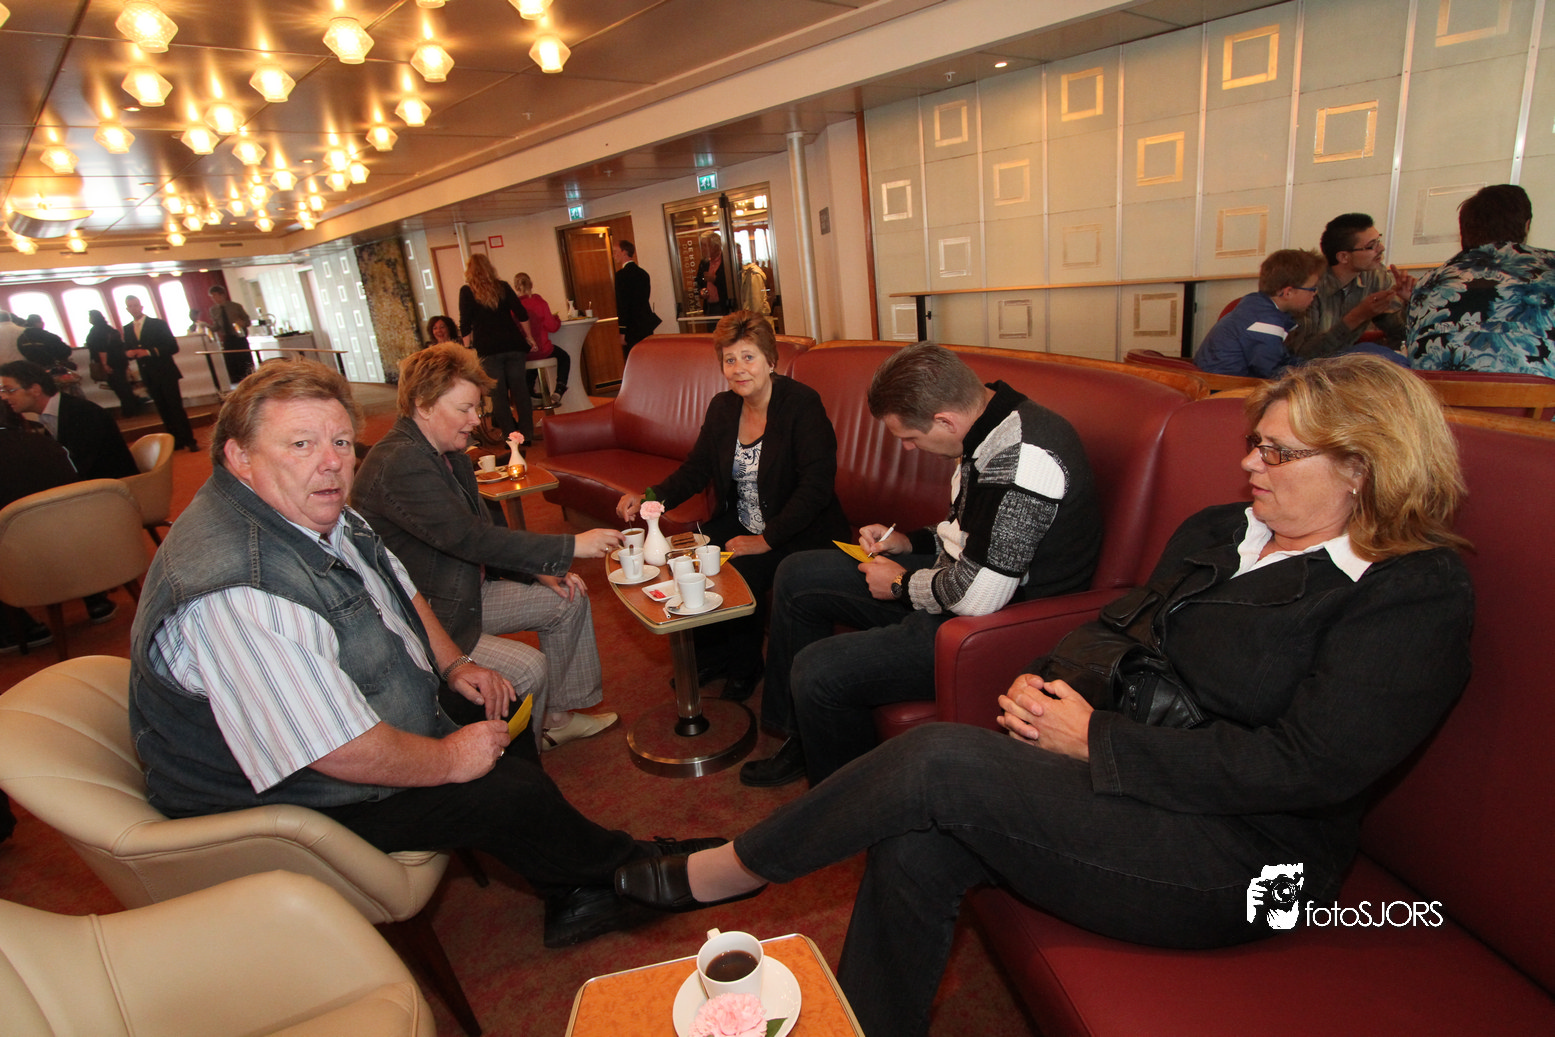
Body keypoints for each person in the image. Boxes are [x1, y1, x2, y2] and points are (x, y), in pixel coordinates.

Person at [615, 354, 1475, 1037]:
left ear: (1361, 467)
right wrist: (1050, 681)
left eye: (1277, 452)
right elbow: (1120, 625)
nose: (1249, 461)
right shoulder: (1223, 530)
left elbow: (1308, 767)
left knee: (938, 760)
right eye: (1256, 441)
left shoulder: (1409, 590)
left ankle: (725, 871)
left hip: (1260, 862)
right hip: (1141, 789)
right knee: (918, 839)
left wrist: (1095, 739)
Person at [127, 360, 720, 949]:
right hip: (288, 800)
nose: (331, 462)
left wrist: (456, 664)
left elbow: (397, 586)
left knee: (501, 702)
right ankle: (634, 870)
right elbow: (333, 749)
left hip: (355, 716)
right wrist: (448, 759)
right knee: (505, 792)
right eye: (301, 444)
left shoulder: (310, 509)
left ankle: (571, 889)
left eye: (340, 442)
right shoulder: (240, 590)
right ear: (239, 457)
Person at [740, 342, 1102, 788]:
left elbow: (979, 596)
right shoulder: (988, 422)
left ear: (945, 421)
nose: (909, 449)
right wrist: (907, 542)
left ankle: (849, 800)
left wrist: (899, 583)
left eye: (909, 437)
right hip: (969, 584)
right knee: (797, 574)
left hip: (1002, 624)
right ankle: (802, 737)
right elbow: (974, 532)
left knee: (818, 669)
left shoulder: (1022, 460)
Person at [353, 345, 622, 751]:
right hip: (430, 616)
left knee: (567, 599)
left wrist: (535, 569)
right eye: (465, 408)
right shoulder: (400, 463)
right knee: (529, 668)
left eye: (476, 408)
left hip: (461, 591)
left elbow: (481, 532)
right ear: (423, 405)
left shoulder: (446, 453)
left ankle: (556, 719)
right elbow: (468, 538)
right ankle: (524, 762)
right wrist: (570, 546)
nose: (476, 420)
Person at [616, 312, 849, 702]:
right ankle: (715, 656)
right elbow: (697, 468)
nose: (739, 368)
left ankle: (746, 665)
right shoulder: (723, 408)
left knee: (741, 569)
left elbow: (816, 488)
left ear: (770, 360)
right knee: (692, 557)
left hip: (799, 530)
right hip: (742, 519)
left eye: (748, 357)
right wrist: (650, 497)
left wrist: (765, 540)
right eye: (729, 359)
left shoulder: (801, 405)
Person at [1408, 184, 1555, 376]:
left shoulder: (1428, 283)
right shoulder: (1549, 269)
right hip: (1537, 393)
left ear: (1464, 231)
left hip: (1443, 395)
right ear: (1526, 225)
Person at [0, 396, 77, 652]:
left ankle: (18, 628)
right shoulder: (46, 443)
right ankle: (96, 600)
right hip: (83, 544)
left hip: (21, 560)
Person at [1285, 213, 1414, 364]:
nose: (1381, 248)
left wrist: (1409, 303)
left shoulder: (1376, 276)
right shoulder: (1310, 285)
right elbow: (1303, 355)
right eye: (1371, 246)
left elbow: (1400, 335)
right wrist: (1356, 317)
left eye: (1379, 240)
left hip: (1347, 365)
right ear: (1343, 257)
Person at [1194, 249, 1326, 378]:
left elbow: (1280, 360)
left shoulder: (1258, 307)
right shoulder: (1264, 322)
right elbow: (1272, 371)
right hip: (1226, 386)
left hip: (1230, 381)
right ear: (1288, 292)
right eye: (1312, 289)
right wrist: (1313, 374)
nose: (1315, 294)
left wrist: (1313, 367)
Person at [0, 360, 137, 481]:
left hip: (112, 488)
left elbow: (81, 465)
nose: (4, 397)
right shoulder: (50, 415)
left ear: (35, 390)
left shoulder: (82, 413)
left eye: (10, 390)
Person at [458, 253, 536, 443]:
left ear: (469, 271)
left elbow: (465, 323)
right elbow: (522, 314)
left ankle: (511, 437)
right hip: (513, 345)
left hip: (488, 349)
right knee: (520, 391)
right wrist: (529, 337)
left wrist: (467, 348)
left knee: (498, 396)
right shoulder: (503, 287)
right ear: (490, 268)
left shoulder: (467, 291)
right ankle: (527, 434)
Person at [122, 296, 198, 452]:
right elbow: (128, 349)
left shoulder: (157, 324)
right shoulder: (128, 329)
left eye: (136, 305)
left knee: (175, 407)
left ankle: (189, 440)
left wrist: (148, 352)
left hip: (165, 372)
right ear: (127, 309)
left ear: (141, 306)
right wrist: (128, 353)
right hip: (148, 374)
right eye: (130, 306)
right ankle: (174, 441)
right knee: (162, 409)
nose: (134, 308)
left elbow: (172, 347)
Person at [513, 272, 567, 406]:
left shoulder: (513, 308)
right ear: (531, 285)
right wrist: (557, 319)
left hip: (524, 353)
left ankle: (529, 389)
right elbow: (552, 327)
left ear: (515, 287)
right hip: (542, 349)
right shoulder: (539, 302)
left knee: (532, 362)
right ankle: (559, 389)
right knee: (564, 357)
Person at [86, 308, 145, 416]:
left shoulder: (96, 331)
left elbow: (101, 349)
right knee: (123, 385)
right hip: (120, 361)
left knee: (119, 387)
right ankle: (132, 407)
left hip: (109, 362)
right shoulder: (109, 329)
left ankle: (130, 409)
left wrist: (104, 364)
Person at [613, 239, 659, 357]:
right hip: (645, 324)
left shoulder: (621, 276)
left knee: (633, 358)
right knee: (648, 356)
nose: (614, 255)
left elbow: (622, 305)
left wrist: (622, 330)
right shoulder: (643, 274)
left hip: (631, 327)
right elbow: (644, 298)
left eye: (616, 251)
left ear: (624, 252)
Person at [208, 284, 255, 386]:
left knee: (244, 360)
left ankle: (249, 379)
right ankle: (235, 381)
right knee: (230, 361)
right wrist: (207, 327)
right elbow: (216, 326)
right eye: (212, 297)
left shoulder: (235, 306)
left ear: (222, 295)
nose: (214, 299)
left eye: (215, 296)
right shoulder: (213, 310)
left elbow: (247, 321)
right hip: (227, 338)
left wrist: (243, 323)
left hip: (239, 337)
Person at [695, 232, 731, 316]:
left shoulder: (727, 262)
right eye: (701, 245)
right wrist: (701, 291)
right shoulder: (704, 263)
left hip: (724, 307)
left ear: (715, 246)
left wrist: (715, 280)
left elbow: (732, 285)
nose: (702, 249)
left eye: (705, 245)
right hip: (709, 307)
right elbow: (698, 282)